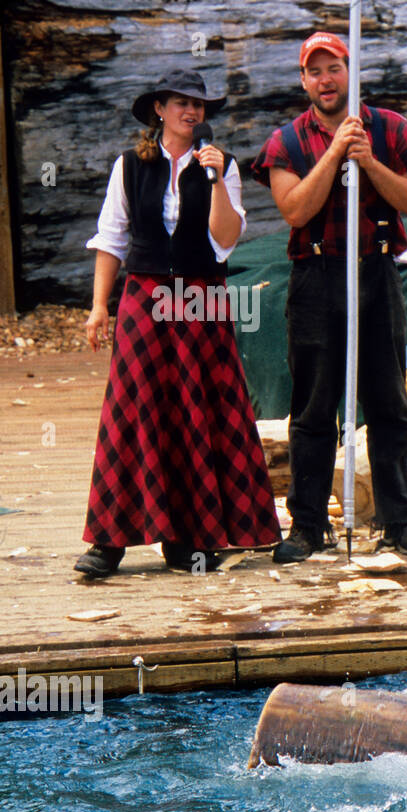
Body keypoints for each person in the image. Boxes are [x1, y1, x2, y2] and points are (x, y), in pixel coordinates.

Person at [75, 69, 281, 579]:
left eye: (200, 105)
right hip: (144, 295)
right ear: (159, 111)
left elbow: (225, 239)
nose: (192, 112)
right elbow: (111, 238)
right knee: (133, 410)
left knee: (198, 410)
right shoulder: (129, 166)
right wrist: (100, 304)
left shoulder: (224, 166)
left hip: (200, 295)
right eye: (181, 104)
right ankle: (110, 540)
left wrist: (213, 180)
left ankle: (188, 537)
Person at [251, 31, 407, 563]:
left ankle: (398, 521)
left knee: (388, 401)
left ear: (350, 73)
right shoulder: (287, 141)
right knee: (312, 407)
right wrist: (335, 153)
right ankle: (308, 526)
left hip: (375, 270)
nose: (325, 80)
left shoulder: (390, 128)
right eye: (315, 71)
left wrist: (370, 162)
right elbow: (295, 210)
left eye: (334, 69)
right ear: (303, 80)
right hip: (316, 276)